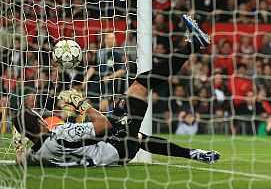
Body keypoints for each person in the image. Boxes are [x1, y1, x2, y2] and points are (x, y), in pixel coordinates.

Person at [13, 15, 220, 167]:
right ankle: (192, 46)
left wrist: (19, 136)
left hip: (110, 151)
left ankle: (195, 154)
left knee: (135, 133)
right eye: (38, 119)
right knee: (141, 84)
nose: (42, 119)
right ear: (40, 124)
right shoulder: (59, 134)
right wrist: (79, 102)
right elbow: (102, 123)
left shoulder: (37, 154)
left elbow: (20, 159)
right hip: (116, 149)